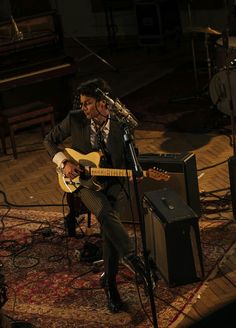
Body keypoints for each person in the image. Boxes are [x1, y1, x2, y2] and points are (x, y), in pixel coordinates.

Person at [44, 77, 150, 313]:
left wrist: (136, 170)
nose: (84, 108)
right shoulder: (74, 119)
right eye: (82, 103)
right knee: (105, 212)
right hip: (83, 183)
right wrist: (65, 163)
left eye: (88, 103)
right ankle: (133, 260)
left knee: (109, 229)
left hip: (113, 183)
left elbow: (132, 153)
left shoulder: (122, 126)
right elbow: (49, 140)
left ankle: (110, 285)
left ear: (103, 103)